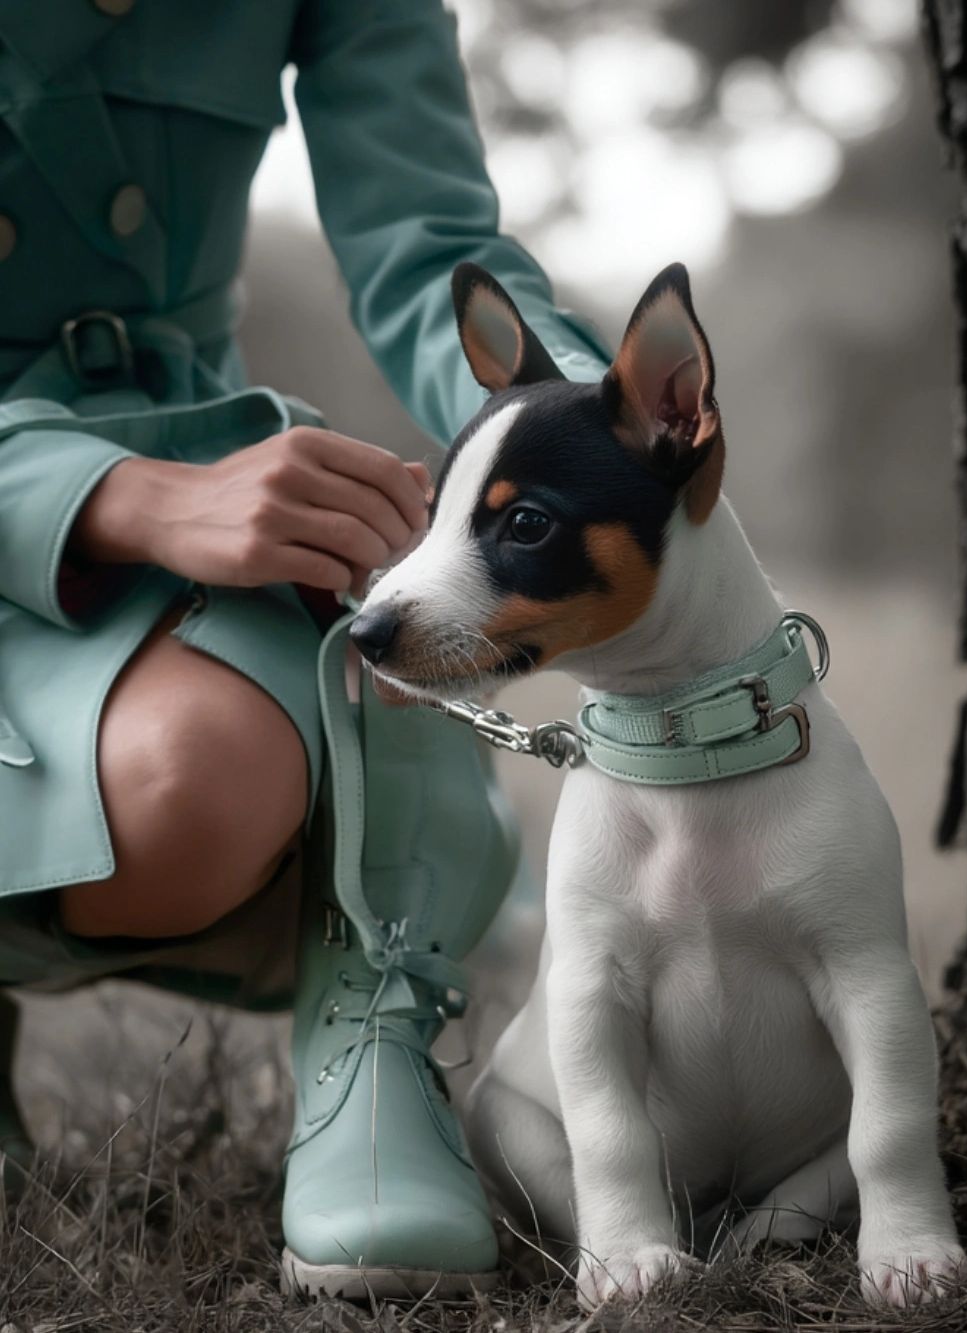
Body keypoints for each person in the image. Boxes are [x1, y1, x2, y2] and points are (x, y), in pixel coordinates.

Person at [0, 0, 609, 1300]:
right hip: (49, 501)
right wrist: (115, 498)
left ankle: (373, 1017)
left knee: (208, 767)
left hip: (188, 482)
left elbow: (430, 245)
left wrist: (599, 438)